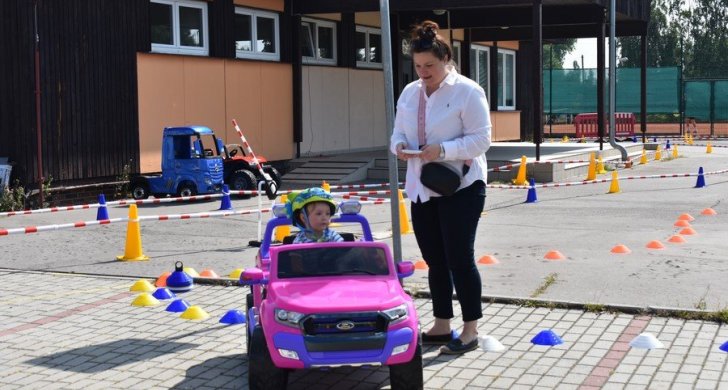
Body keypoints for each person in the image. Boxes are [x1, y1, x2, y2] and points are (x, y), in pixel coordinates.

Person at [390, 21, 491, 355]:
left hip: (461, 186)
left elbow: (482, 139)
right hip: (422, 186)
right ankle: (442, 322)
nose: (423, 72)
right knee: (434, 259)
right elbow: (396, 134)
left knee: (459, 258)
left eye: (429, 66)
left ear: (446, 58)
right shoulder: (409, 93)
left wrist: (444, 150)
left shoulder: (468, 91)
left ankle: (470, 329)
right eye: (418, 66)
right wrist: (400, 147)